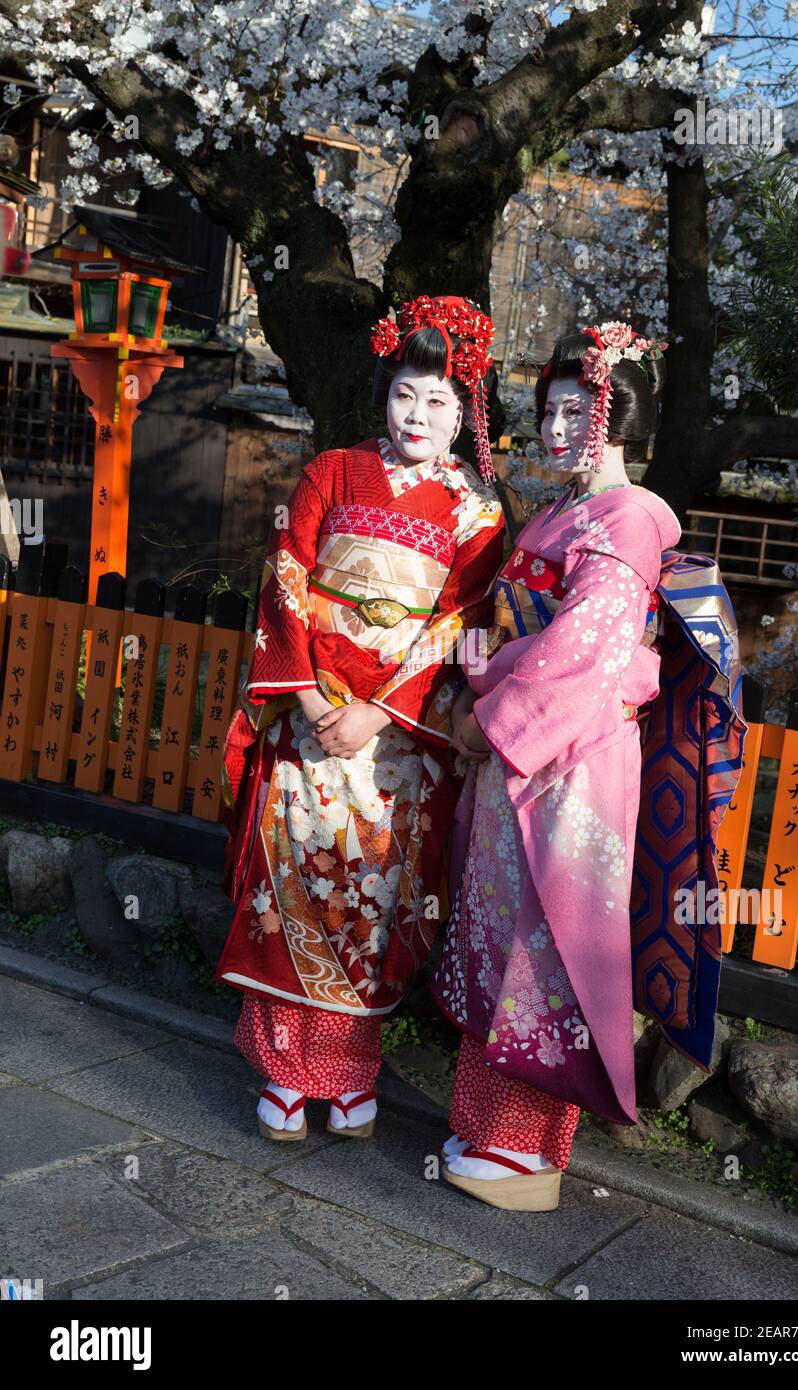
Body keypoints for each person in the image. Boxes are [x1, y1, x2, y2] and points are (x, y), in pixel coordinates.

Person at [432, 321, 746, 1210]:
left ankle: (529, 1153)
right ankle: (488, 1127)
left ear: (620, 417)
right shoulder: (562, 516)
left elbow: (586, 651)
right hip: (513, 743)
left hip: (565, 759)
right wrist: (473, 691)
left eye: (581, 410)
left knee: (549, 946)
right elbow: (503, 622)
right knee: (500, 934)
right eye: (549, 411)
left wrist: (486, 716)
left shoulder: (631, 518)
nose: (559, 428)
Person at [217, 294, 505, 1144]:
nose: (417, 415)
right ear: (385, 394)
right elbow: (287, 578)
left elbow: (459, 625)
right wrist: (305, 697)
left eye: (438, 400)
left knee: (369, 901)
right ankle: (282, 1071)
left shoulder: (476, 511)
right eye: (405, 394)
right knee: (289, 891)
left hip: (391, 743)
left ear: (466, 410)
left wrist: (377, 713)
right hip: (308, 719)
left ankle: (347, 1074)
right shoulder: (333, 471)